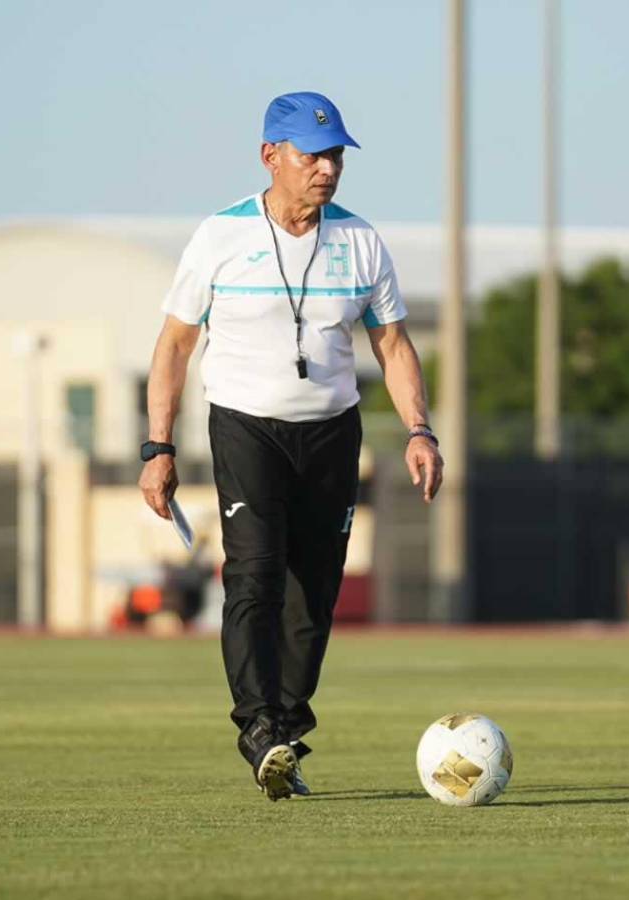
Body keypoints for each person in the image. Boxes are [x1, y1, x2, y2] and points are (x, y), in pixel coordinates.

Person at [139, 91, 442, 801]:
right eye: (312, 156)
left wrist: (420, 430)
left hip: (334, 432)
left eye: (336, 155)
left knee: (316, 592)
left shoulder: (362, 241)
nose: (327, 169)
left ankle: (287, 730)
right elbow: (175, 345)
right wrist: (156, 446)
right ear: (270, 155)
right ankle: (258, 729)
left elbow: (392, 343)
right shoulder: (219, 236)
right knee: (255, 576)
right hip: (246, 425)